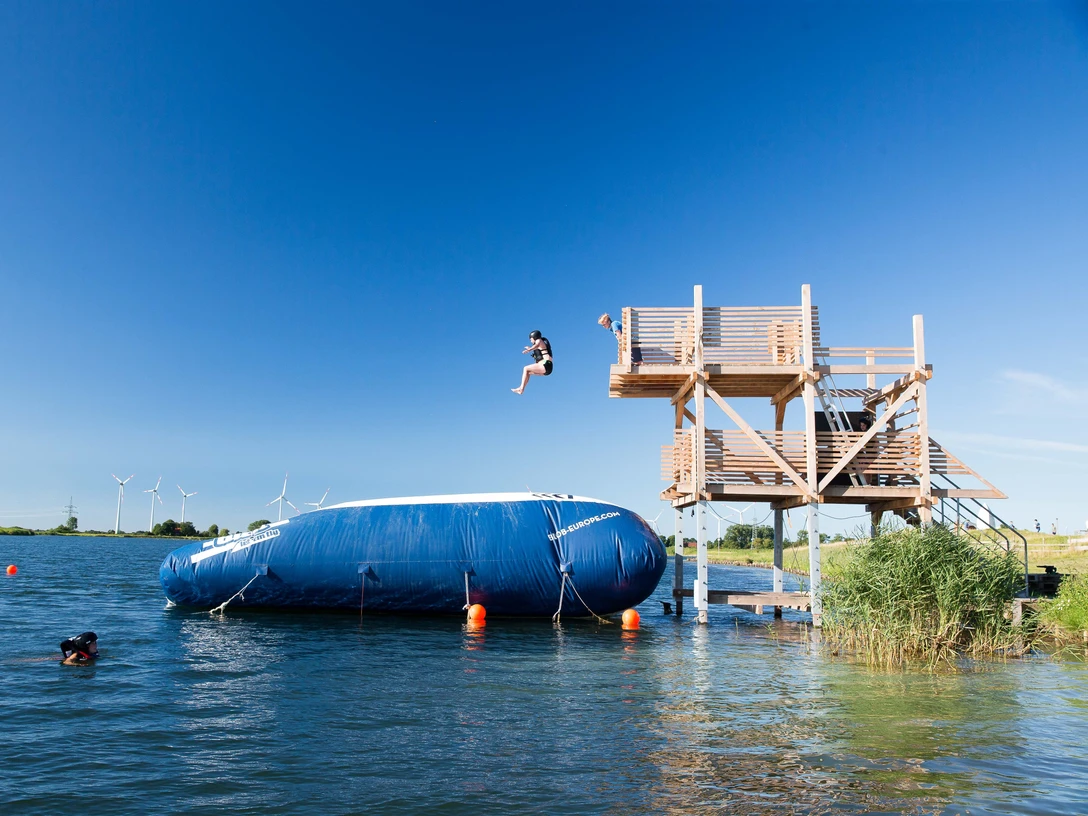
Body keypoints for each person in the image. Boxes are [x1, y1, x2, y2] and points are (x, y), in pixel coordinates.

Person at [511, 331, 552, 395]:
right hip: (546, 369)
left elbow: (536, 345)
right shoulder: (541, 345)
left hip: (545, 364)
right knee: (527, 372)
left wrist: (529, 349)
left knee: (525, 368)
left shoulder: (539, 340)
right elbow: (537, 349)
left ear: (534, 337)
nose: (530, 341)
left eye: (531, 339)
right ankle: (521, 389)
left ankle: (521, 388)